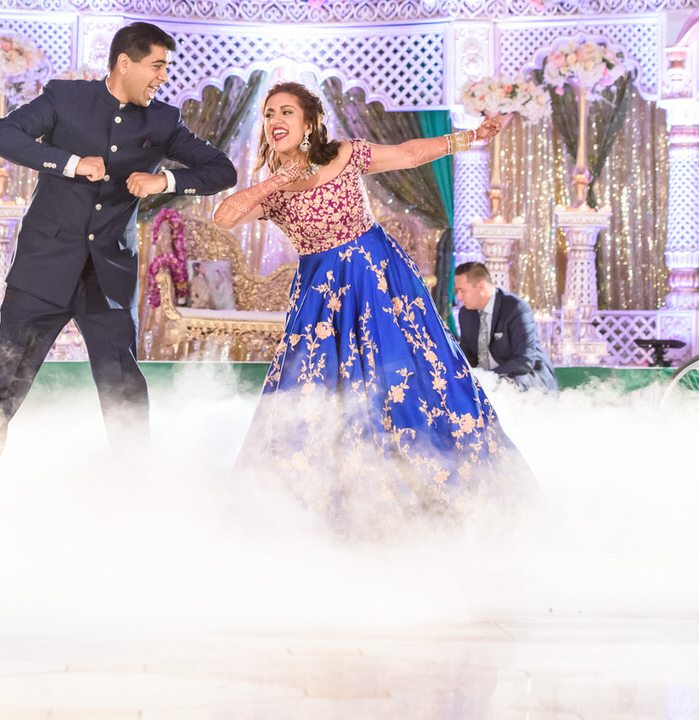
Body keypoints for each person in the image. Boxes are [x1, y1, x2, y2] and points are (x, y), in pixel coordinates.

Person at [213, 82, 532, 524]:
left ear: (309, 123)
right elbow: (224, 218)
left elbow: (408, 154)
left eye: (286, 112)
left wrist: (471, 137)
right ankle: (325, 509)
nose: (275, 121)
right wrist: (278, 179)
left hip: (380, 285)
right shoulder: (273, 193)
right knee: (315, 395)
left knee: (408, 380)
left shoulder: (344, 155)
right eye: (268, 114)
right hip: (322, 304)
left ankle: (444, 494)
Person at [0, 23, 238, 491]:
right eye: (157, 66)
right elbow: (2, 136)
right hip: (43, 270)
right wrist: (71, 163)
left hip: (108, 278)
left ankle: (133, 498)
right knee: (1, 381)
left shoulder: (163, 120)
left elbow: (222, 170)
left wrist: (164, 181)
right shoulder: (65, 98)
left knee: (124, 391)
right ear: (125, 63)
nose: (163, 76)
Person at [452, 262, 559, 393]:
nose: (459, 297)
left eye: (462, 291)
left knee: (516, 381)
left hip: (527, 380)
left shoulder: (516, 308)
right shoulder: (466, 313)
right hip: (489, 382)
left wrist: (486, 378)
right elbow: (468, 358)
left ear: (481, 286)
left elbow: (524, 362)